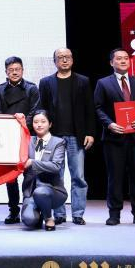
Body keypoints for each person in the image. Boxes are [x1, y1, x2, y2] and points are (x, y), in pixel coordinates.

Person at [94, 48, 135, 226]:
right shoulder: (103, 83)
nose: (123, 61)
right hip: (114, 138)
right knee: (115, 176)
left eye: (126, 58)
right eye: (119, 59)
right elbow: (98, 108)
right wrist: (109, 124)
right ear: (111, 62)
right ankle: (114, 214)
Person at [38, 48, 96, 226]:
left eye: (67, 57)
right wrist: (43, 134)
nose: (64, 60)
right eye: (60, 57)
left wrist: (90, 133)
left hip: (76, 136)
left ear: (72, 59)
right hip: (54, 138)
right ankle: (59, 213)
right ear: (54, 61)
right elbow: (42, 109)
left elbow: (89, 109)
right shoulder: (46, 82)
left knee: (78, 176)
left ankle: (78, 213)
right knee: (56, 176)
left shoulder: (83, 81)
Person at [0, 56, 40, 224]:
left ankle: (30, 209)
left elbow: (35, 111)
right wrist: (12, 126)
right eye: (11, 70)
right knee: (11, 176)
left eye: (17, 69)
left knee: (30, 174)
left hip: (29, 136)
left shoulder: (32, 88)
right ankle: (13, 211)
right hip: (9, 137)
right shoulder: (0, 89)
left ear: (22, 70)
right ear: (6, 72)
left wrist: (23, 124)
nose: (14, 72)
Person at [21, 110, 67, 231]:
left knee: (41, 192)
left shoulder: (58, 142)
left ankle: (48, 217)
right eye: (36, 122)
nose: (39, 125)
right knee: (29, 220)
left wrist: (33, 162)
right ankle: (38, 213)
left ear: (50, 124)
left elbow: (56, 166)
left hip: (52, 190)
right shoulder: (27, 140)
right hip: (31, 191)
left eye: (43, 121)